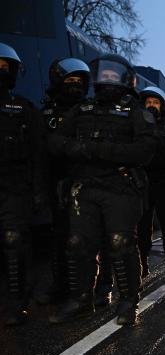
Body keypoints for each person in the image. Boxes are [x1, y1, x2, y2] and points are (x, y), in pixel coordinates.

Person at [48, 53, 158, 325]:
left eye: (112, 75)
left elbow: (145, 150)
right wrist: (80, 149)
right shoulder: (83, 109)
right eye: (103, 75)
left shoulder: (134, 111)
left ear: (124, 80)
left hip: (119, 188)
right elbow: (54, 141)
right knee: (78, 244)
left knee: (121, 244)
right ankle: (81, 299)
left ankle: (128, 301)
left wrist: (101, 151)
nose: (107, 79)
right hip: (85, 188)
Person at [0, 42, 46, 325]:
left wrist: (39, 192)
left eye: (6, 68)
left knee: (14, 245)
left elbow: (38, 154)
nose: (1, 72)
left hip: (14, 189)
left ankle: (16, 304)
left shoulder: (23, 109)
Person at [39, 57, 91, 304]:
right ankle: (59, 286)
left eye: (79, 81)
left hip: (85, 181)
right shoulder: (46, 113)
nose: (74, 86)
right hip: (57, 181)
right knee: (60, 237)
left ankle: (84, 289)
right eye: (69, 80)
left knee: (83, 238)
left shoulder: (89, 111)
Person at [137, 86, 165, 281]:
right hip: (143, 182)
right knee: (142, 227)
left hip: (164, 181)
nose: (152, 106)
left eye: (156, 103)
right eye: (149, 102)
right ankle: (141, 266)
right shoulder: (137, 125)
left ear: (162, 106)